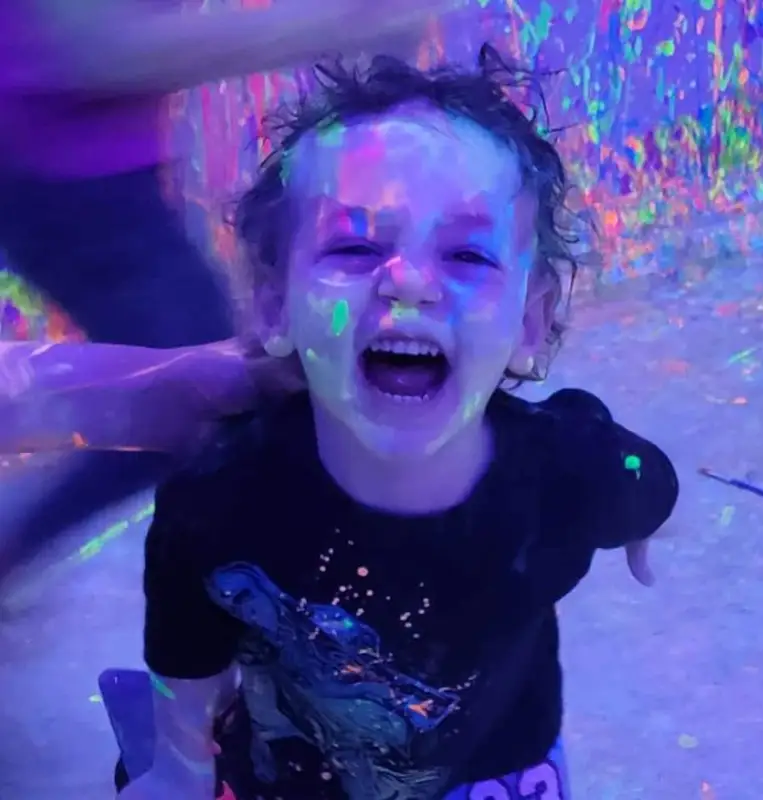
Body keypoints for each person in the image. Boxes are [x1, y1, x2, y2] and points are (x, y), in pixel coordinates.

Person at [3, 47, 678, 798]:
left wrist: (640, 511)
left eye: (466, 254)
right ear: (271, 306)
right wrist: (178, 767)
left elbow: (640, 474)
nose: (409, 282)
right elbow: (184, 646)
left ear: (532, 319)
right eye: (354, 246)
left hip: (497, 767)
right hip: (291, 769)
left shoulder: (571, 469)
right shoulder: (219, 490)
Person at [0, 0, 453, 573]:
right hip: (63, 183)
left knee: (201, 397)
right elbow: (101, 53)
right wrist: (339, 24)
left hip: (87, 176)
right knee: (197, 399)